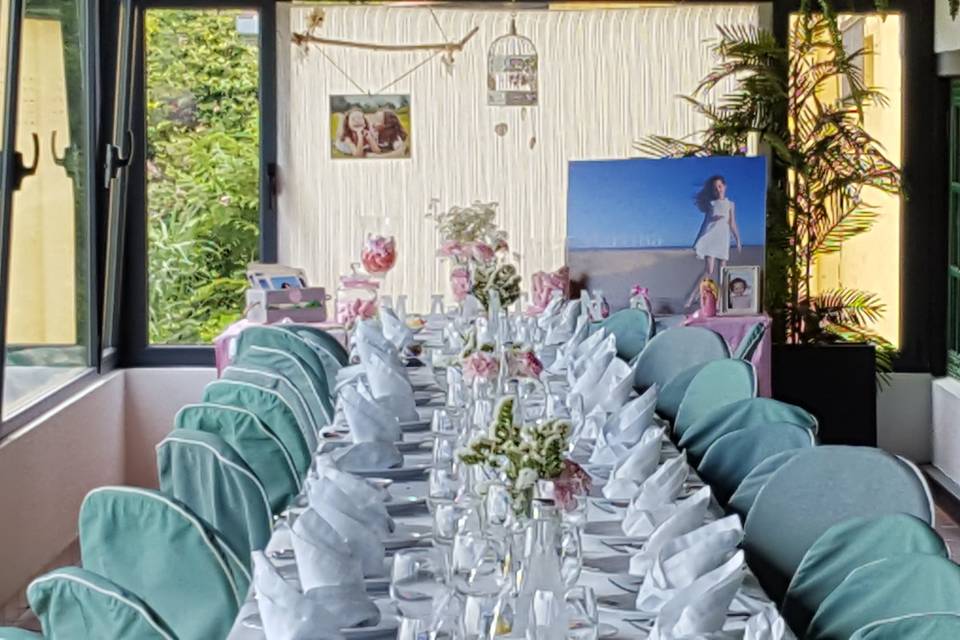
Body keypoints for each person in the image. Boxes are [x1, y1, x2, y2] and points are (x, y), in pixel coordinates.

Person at [686, 175, 743, 307]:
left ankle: (723, 301)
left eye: (720, 186)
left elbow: (732, 223)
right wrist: (697, 241)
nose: (718, 189)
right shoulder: (712, 204)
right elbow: (705, 223)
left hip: (724, 238)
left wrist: (738, 240)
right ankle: (692, 296)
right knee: (709, 270)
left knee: (723, 270)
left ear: (724, 186)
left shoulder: (730, 204)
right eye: (715, 188)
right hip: (712, 237)